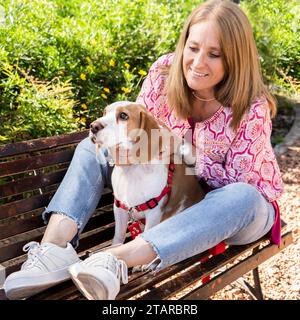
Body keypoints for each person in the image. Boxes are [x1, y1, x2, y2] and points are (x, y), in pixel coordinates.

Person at [4, 0, 284, 300]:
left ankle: (114, 259)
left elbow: (237, 183)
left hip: (236, 212)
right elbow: (137, 137)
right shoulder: (164, 72)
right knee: (92, 145)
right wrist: (126, 149)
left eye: (214, 55)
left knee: (243, 197)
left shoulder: (251, 107)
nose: (198, 63)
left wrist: (177, 151)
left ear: (236, 60)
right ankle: (55, 249)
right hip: (165, 195)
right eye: (192, 48)